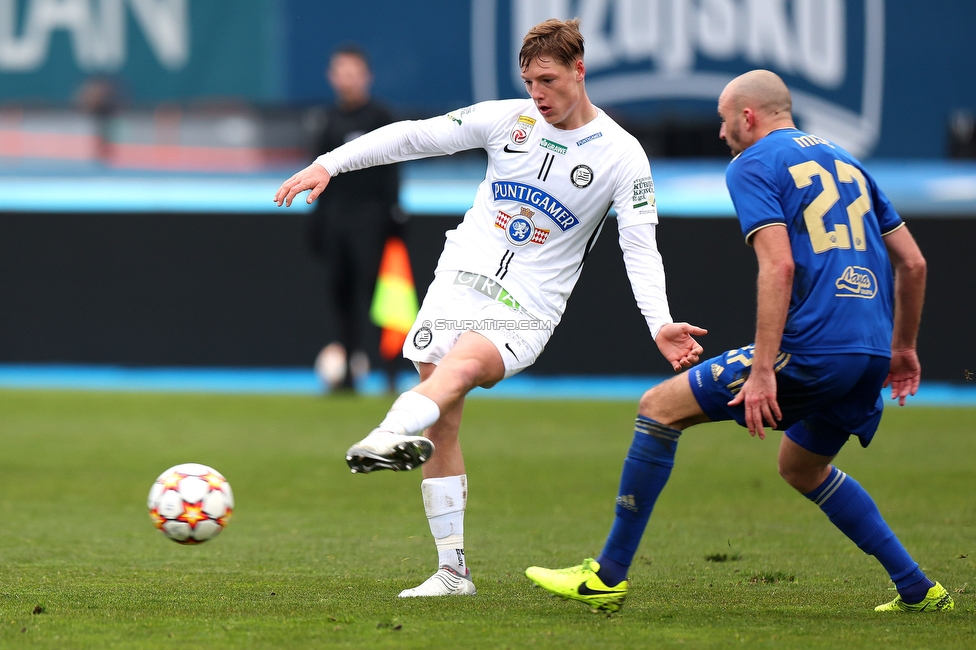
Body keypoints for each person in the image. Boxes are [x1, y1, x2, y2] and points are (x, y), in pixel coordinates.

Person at [275, 18, 706, 597]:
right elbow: (413, 136)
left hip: (529, 303)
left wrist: (660, 322)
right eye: (529, 81)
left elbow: (639, 244)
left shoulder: (623, 156)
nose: (538, 94)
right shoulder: (509, 118)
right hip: (459, 277)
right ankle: (452, 571)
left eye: (548, 80)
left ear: (580, 71)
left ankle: (387, 432)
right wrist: (331, 162)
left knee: (461, 371)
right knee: (443, 408)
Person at [525, 70, 953, 615]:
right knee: (801, 467)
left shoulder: (753, 163)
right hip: (868, 351)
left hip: (814, 349)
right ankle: (918, 588)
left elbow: (779, 267)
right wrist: (904, 348)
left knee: (657, 409)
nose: (722, 133)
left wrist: (765, 370)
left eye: (725, 121)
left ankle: (606, 576)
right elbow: (912, 263)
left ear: (747, 117)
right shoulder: (850, 163)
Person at [307, 45, 401, 391]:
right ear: (332, 77)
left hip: (371, 219)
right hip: (336, 219)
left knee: (382, 297)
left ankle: (391, 372)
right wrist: (317, 223)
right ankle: (347, 371)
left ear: (366, 77)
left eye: (353, 72)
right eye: (340, 72)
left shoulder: (380, 118)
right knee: (341, 296)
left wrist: (394, 213)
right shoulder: (327, 119)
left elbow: (393, 169)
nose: (346, 79)